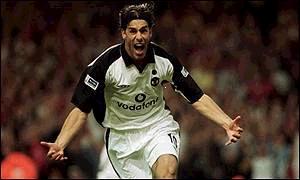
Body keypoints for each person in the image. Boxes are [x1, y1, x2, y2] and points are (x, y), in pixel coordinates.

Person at [40, 2, 243, 179]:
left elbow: (196, 96)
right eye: (133, 31)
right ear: (123, 33)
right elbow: (80, 110)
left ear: (150, 32)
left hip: (157, 127)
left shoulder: (164, 60)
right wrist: (61, 143)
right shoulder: (103, 66)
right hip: (122, 138)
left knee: (167, 173)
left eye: (144, 30)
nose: (139, 37)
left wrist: (226, 122)